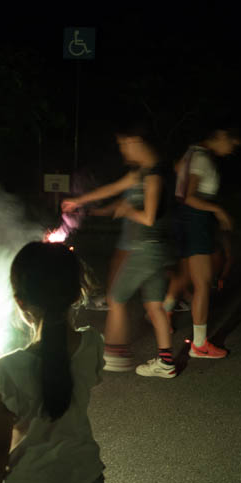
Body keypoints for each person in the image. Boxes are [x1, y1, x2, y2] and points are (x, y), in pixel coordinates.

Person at [0, 242, 105, 483]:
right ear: (77, 293)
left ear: (20, 302)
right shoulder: (92, 343)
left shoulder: (7, 370)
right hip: (79, 472)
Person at [62, 122, 176, 378]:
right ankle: (166, 363)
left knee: (116, 298)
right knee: (155, 306)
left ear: (137, 141)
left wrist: (127, 211)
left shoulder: (155, 176)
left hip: (145, 248)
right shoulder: (142, 173)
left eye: (124, 145)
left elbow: (148, 217)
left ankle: (114, 354)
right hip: (153, 251)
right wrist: (80, 202)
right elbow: (112, 189)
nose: (123, 151)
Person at [164, 128, 241, 359]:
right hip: (196, 220)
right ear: (220, 135)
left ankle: (165, 312)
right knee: (203, 283)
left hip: (183, 218)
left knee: (187, 273)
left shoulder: (192, 152)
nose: (232, 150)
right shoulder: (203, 159)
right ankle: (199, 344)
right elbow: (190, 196)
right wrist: (218, 210)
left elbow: (177, 170)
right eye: (232, 143)